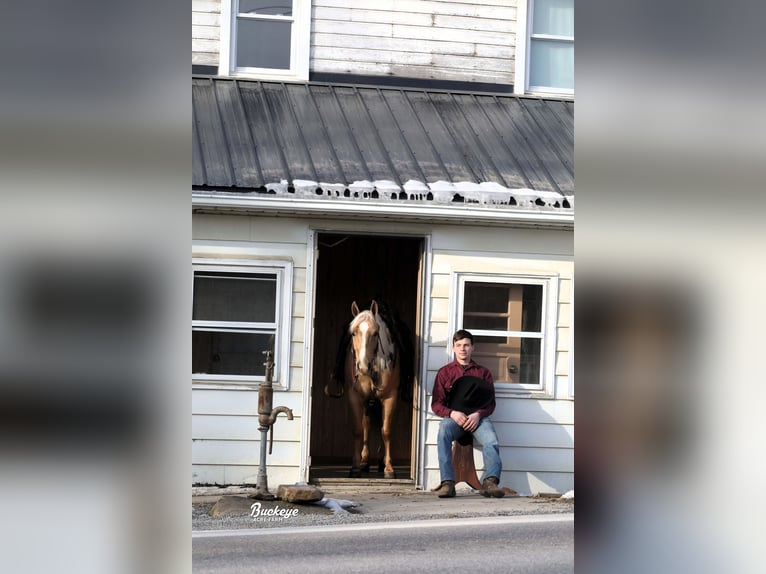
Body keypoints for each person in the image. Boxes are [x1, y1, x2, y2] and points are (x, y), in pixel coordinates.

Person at [430, 329, 505, 498]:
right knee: (443, 432)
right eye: (459, 345)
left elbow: (491, 403)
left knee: (491, 440)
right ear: (453, 348)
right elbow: (436, 404)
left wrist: (478, 414)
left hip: (477, 419)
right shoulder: (445, 373)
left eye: (466, 345)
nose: (462, 349)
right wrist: (452, 413)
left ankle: (490, 482)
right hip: (454, 419)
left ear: (472, 348)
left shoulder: (483, 373)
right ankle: (448, 483)